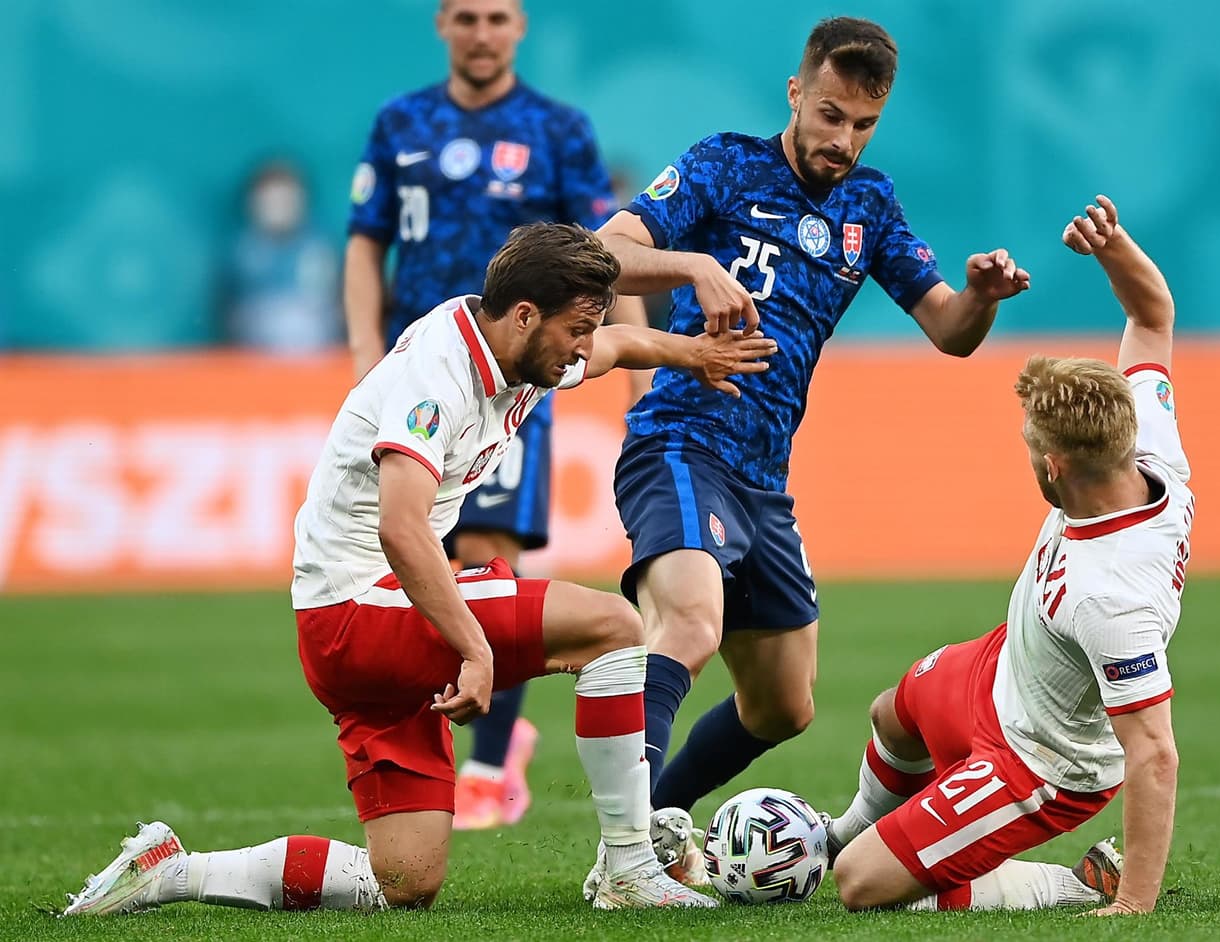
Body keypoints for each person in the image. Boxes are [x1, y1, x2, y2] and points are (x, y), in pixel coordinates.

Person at [61, 224, 776, 918]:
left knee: (402, 880)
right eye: (576, 328)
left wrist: (693, 355)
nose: (584, 347)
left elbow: (620, 344)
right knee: (616, 628)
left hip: (349, 631)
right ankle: (630, 867)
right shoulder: (440, 375)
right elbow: (401, 527)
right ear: (525, 314)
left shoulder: (526, 346)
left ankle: (173, 870)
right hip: (361, 606)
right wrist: (472, 647)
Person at [584, 16, 1030, 894]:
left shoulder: (871, 205)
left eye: (863, 124)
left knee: (784, 705)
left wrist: (979, 297)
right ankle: (623, 857)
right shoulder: (723, 163)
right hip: (680, 438)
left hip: (763, 478)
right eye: (830, 115)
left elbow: (948, 330)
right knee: (691, 621)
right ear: (796, 93)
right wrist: (692, 269)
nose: (842, 139)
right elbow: (603, 252)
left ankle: (655, 819)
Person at [824, 194, 1190, 916]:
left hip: (1041, 758)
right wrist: (1113, 246)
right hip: (1003, 671)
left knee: (861, 887)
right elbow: (1152, 318)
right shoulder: (1145, 439)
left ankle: (1075, 885)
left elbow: (1154, 753)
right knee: (892, 712)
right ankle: (845, 832)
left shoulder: (1111, 593)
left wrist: (1137, 907)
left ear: (1055, 467)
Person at [343, 0, 650, 830]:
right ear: (443, 23)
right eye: (468, 16)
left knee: (486, 555)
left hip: (515, 382)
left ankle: (488, 765)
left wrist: (632, 365)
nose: (483, 31)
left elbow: (605, 256)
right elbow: (367, 241)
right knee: (421, 565)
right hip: (425, 381)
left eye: (499, 17)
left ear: (520, 29)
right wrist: (365, 352)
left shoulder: (558, 128)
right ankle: (452, 735)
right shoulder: (399, 121)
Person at [224, 161, 342, 353]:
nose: (278, 205)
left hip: (318, 360)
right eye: (270, 198)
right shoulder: (241, 252)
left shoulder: (321, 246)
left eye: (285, 197)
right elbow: (228, 310)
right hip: (254, 361)